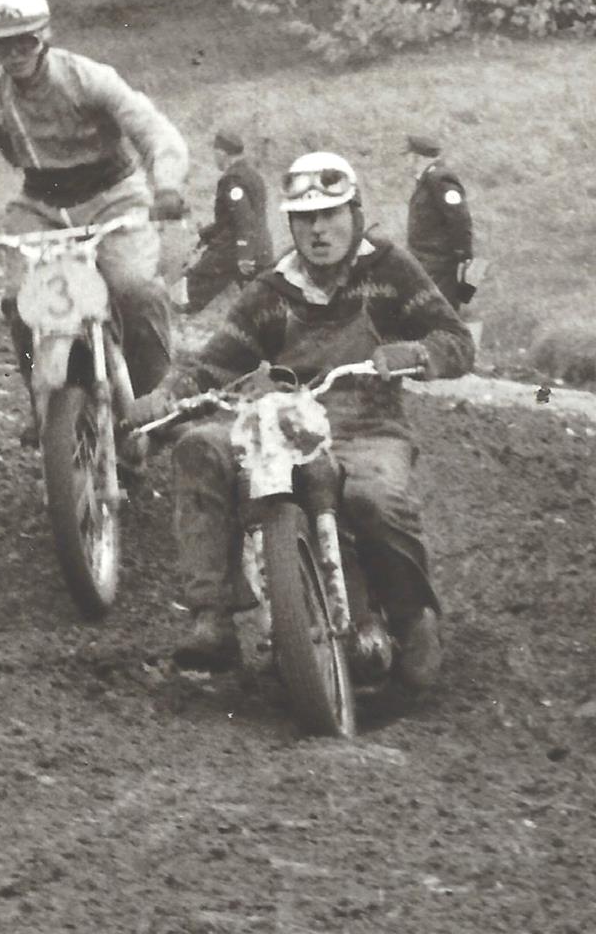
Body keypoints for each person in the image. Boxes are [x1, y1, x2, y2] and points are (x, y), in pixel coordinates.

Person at [128, 151, 474, 688]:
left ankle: (413, 616)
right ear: (290, 223)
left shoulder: (390, 269)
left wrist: (416, 354)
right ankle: (211, 617)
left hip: (366, 423)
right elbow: (217, 360)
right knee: (201, 446)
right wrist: (166, 394)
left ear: (354, 212)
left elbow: (455, 340)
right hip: (284, 421)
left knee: (375, 499)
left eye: (331, 213)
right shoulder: (273, 289)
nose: (318, 229)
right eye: (305, 218)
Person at [0, 0, 188, 418]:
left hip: (113, 193)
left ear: (44, 37)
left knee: (134, 291)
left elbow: (151, 129)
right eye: (2, 46)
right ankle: (46, 408)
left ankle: (153, 402)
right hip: (43, 204)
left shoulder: (87, 77)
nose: (14, 56)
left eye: (24, 43)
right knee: (19, 301)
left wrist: (166, 185)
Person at [183, 128, 273, 312]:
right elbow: (231, 220)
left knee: (189, 290)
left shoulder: (233, 179)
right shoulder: (254, 176)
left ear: (221, 153)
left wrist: (244, 255)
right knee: (260, 307)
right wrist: (203, 236)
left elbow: (243, 218)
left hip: (233, 253)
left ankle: (178, 326)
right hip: (261, 250)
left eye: (215, 154)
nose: (214, 159)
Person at [405, 133, 474, 311]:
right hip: (426, 262)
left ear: (416, 157)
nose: (406, 162)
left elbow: (459, 219)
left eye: (408, 156)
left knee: (438, 313)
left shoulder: (440, 179)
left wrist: (463, 254)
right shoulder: (428, 180)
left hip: (438, 264)